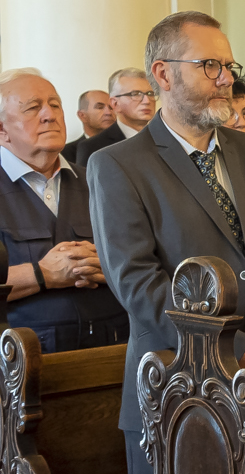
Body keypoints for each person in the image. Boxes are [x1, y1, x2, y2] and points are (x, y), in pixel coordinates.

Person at [90, 11, 245, 474]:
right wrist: (235, 347)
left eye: (229, 66)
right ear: (163, 73)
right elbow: (137, 282)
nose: (226, 79)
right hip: (178, 389)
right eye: (210, 65)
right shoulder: (118, 165)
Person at [0, 69, 129, 351]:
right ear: (2, 129)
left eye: (55, 105)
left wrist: (110, 268)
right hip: (24, 360)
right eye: (33, 108)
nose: (50, 115)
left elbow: (147, 260)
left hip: (113, 352)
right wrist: (41, 274)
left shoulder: (102, 180)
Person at [75, 67, 156, 171]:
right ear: (115, 103)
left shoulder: (165, 137)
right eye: (135, 94)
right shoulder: (92, 147)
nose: (147, 101)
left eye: (150, 94)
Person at [63, 89, 113, 163]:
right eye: (100, 107)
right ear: (82, 115)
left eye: (111, 107)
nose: (109, 112)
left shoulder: (125, 144)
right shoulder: (66, 153)